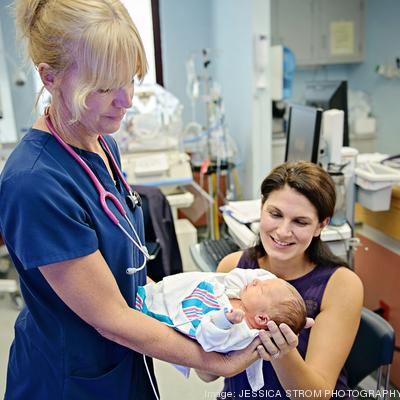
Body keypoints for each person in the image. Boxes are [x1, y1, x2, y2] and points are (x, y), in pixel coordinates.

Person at [0, 1, 263, 399]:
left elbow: (127, 273)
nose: (125, 100)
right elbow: (111, 317)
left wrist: (201, 320)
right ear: (49, 77)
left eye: (130, 79)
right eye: (104, 87)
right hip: (69, 379)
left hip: (123, 359)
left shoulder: (101, 144)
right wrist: (213, 361)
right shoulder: (34, 183)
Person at [197, 161, 363, 400]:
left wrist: (282, 352)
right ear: (262, 207)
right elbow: (206, 375)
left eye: (300, 222)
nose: (283, 231)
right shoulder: (232, 268)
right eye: (275, 214)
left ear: (321, 225)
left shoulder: (341, 285)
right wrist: (208, 334)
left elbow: (316, 396)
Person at [136, 268, 307, 391]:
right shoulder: (241, 295)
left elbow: (210, 341)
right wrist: (271, 282)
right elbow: (235, 276)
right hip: (168, 295)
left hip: (166, 317)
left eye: (261, 288)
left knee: (144, 306)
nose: (255, 281)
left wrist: (223, 321)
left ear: (262, 319)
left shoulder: (242, 334)